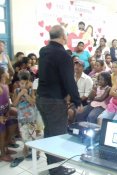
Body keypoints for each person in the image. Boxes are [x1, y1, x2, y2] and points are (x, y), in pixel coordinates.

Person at [36, 25, 82, 175]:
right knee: (57, 135)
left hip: (41, 98)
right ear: (63, 37)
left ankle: (51, 165)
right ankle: (56, 170)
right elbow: (69, 80)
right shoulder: (63, 55)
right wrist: (77, 101)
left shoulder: (43, 51)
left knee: (49, 132)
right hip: (54, 101)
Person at [12, 70, 37, 158]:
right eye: (22, 83)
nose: (23, 85)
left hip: (31, 117)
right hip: (21, 117)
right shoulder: (16, 91)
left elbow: (33, 102)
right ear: (19, 82)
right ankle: (26, 146)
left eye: (25, 83)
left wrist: (26, 95)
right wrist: (19, 95)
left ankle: (35, 149)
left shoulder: (31, 91)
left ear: (29, 82)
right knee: (24, 133)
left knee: (32, 134)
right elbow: (14, 104)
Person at [0, 67, 18, 162]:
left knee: (13, 123)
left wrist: (9, 111)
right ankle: (2, 154)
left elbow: (6, 101)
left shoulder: (6, 85)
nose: (8, 73)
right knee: (2, 135)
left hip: (5, 113)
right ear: (2, 74)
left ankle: (6, 148)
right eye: (6, 71)